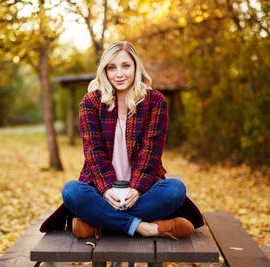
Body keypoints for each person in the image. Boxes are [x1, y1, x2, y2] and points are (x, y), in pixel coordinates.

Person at [40, 41, 204, 239]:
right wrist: (107, 188)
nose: (119, 74)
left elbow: (151, 152)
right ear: (105, 71)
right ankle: (147, 227)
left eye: (126, 66)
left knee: (175, 189)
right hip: (103, 191)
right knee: (71, 191)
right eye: (112, 67)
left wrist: (136, 188)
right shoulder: (91, 103)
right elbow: (93, 152)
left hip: (143, 191)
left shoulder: (155, 101)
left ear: (136, 67)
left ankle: (98, 224)